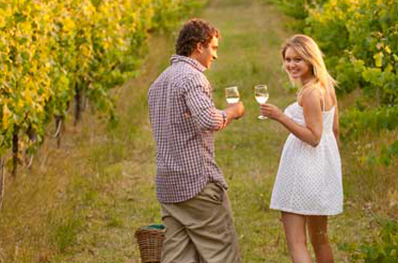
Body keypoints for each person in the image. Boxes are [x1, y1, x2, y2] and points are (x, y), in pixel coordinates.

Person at [147, 18, 245, 263]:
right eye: (214, 48)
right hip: (196, 182)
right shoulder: (193, 78)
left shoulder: (159, 82)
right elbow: (209, 120)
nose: (216, 55)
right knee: (223, 253)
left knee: (178, 258)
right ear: (199, 47)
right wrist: (234, 111)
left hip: (168, 184)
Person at [260, 34, 343, 263]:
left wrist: (279, 116)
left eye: (298, 59)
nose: (291, 65)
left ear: (311, 59)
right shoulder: (326, 86)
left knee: (297, 243)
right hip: (322, 166)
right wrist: (331, 168)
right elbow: (333, 132)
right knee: (320, 239)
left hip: (303, 168)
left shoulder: (309, 92)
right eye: (287, 59)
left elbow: (314, 137)